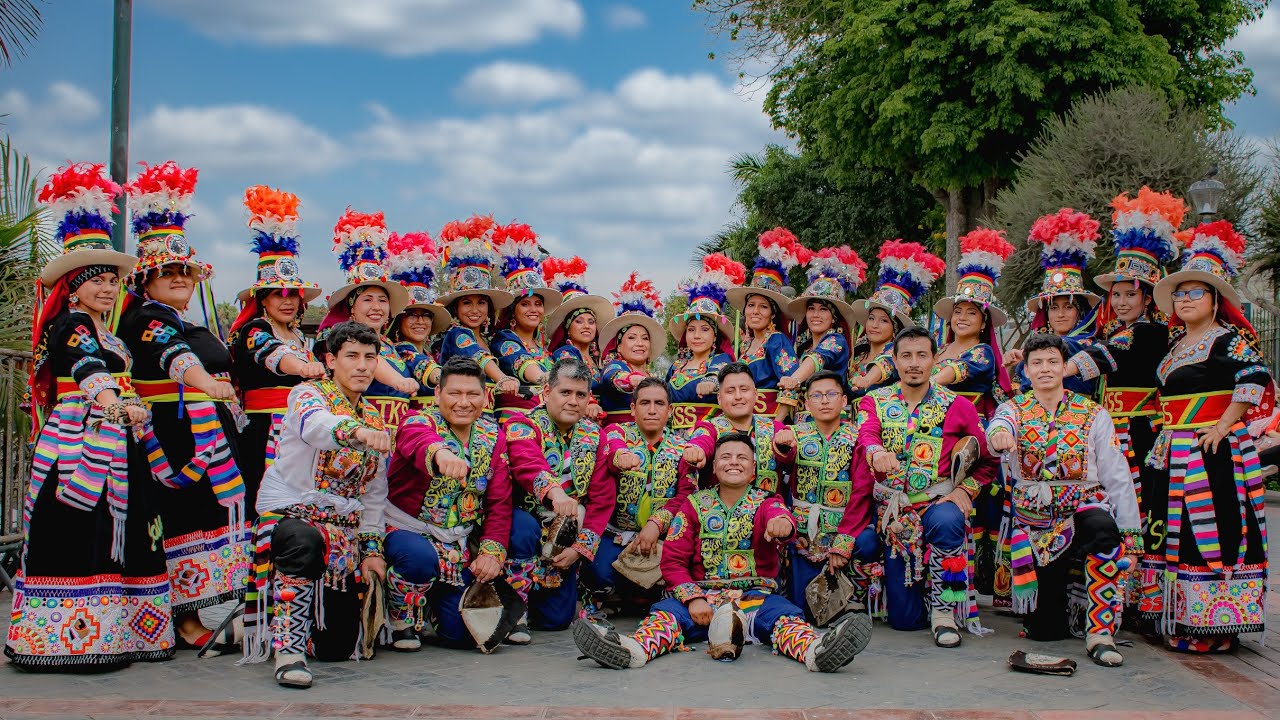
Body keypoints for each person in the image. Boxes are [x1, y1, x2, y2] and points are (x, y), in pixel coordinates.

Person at [6, 163, 175, 670]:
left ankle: (112, 632)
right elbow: (88, 373)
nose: (106, 288)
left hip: (114, 438)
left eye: (110, 280)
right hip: (80, 441)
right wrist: (112, 402)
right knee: (81, 524)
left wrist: (126, 410)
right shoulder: (73, 326)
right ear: (73, 289)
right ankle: (67, 640)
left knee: (110, 526)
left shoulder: (110, 331)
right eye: (95, 281)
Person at [571, 433, 872, 672]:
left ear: (754, 470)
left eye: (742, 458)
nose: (733, 462)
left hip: (754, 598)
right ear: (713, 468)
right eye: (725, 457)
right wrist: (693, 598)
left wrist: (782, 525)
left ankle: (816, 652)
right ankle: (631, 651)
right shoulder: (694, 505)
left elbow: (780, 516)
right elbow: (673, 560)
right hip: (700, 601)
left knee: (785, 618)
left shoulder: (767, 501)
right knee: (664, 617)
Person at [118, 161, 248, 656]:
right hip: (173, 437)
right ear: (146, 281)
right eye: (167, 272)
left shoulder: (179, 316)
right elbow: (177, 360)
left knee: (201, 519)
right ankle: (182, 619)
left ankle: (194, 613)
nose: (179, 279)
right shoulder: (148, 320)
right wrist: (208, 386)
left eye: (184, 272)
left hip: (202, 432)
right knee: (178, 521)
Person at [239, 321, 391, 689]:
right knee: (303, 541)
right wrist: (353, 432)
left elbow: (373, 493)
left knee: (337, 648)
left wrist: (372, 550)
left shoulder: (373, 415)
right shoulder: (308, 394)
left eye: (369, 358)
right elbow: (315, 427)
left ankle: (314, 626)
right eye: (351, 356)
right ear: (330, 359)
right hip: (293, 516)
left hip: (342, 533)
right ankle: (288, 649)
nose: (362, 366)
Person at [1146, 220, 1270, 653]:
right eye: (1179, 293)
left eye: (1194, 292)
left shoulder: (1226, 341)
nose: (1183, 299)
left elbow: (1255, 377)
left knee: (1211, 530)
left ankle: (1214, 624)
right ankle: (1179, 616)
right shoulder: (1176, 346)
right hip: (1173, 449)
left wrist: (1222, 425)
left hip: (1209, 452)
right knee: (1170, 529)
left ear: (1215, 300)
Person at [987, 333, 1141, 667]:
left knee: (1103, 529)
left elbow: (1116, 473)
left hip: (1082, 506)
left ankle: (1100, 634)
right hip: (1035, 522)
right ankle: (1055, 616)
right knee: (1045, 629)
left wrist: (1130, 529)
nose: (1045, 369)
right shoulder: (1012, 409)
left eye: (1052, 361)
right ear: (1025, 371)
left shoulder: (1092, 413)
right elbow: (999, 427)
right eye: (1037, 363)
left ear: (1063, 366)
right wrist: (999, 435)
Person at [849, 327, 999, 647]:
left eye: (922, 355)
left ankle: (944, 611)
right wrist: (877, 452)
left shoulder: (957, 405)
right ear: (895, 360)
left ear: (934, 359)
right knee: (905, 622)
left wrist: (964, 491)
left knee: (949, 519)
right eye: (906, 356)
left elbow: (988, 461)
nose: (914, 363)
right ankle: (907, 600)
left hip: (934, 504)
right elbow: (867, 435)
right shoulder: (874, 400)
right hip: (892, 516)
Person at [1074, 188, 1183, 624]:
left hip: (1139, 431)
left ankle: (1139, 597)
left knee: (1137, 507)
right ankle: (1112, 594)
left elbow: (1103, 360)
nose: (1120, 302)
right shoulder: (1113, 332)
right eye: (1115, 295)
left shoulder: (1152, 334)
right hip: (1109, 427)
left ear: (1147, 296)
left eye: (1129, 295)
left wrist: (1056, 366)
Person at [381, 357, 525, 651]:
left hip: (455, 544)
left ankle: (433, 602)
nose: (463, 402)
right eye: (454, 393)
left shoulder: (491, 434)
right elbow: (417, 438)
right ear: (437, 395)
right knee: (418, 558)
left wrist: (491, 552)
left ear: (485, 398)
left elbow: (499, 501)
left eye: (472, 394)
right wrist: (441, 455)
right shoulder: (417, 420)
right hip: (408, 532)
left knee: (462, 636)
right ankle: (401, 619)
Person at [228, 185, 325, 515]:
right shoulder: (254, 331)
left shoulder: (299, 337)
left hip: (298, 426)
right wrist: (305, 369)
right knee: (270, 502)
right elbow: (274, 356)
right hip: (265, 428)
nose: (286, 301)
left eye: (292, 294)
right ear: (263, 300)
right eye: (277, 294)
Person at [929, 228, 1016, 595]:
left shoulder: (980, 353)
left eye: (970, 313)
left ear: (984, 322)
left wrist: (920, 378)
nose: (962, 317)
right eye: (958, 311)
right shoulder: (938, 350)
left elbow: (949, 377)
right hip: (935, 433)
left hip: (968, 439)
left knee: (970, 506)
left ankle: (969, 584)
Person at [505, 357, 615, 632]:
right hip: (524, 527)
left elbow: (602, 498)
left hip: (566, 534)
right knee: (523, 527)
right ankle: (511, 605)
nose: (573, 401)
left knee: (555, 621)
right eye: (565, 392)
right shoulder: (522, 425)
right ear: (546, 392)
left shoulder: (594, 435)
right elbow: (527, 463)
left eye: (580, 394)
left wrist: (580, 549)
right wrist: (556, 494)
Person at [580, 378, 698, 611]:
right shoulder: (617, 433)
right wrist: (621, 457)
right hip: (615, 533)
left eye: (659, 403)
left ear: (669, 410)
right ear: (633, 408)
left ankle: (642, 597)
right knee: (599, 575)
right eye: (644, 403)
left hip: (662, 537)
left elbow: (686, 495)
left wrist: (656, 524)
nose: (652, 410)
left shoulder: (683, 447)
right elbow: (615, 448)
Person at [782, 371, 871, 619]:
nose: (824, 401)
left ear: (843, 401)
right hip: (802, 532)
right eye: (816, 396)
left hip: (844, 526)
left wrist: (844, 541)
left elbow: (862, 491)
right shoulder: (794, 435)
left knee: (868, 543)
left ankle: (854, 600)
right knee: (804, 610)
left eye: (831, 394)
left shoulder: (858, 438)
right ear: (807, 403)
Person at [316, 209, 417, 427]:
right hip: (360, 428)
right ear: (352, 308)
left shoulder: (393, 346)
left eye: (382, 300)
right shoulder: (337, 339)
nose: (376, 307)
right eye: (367, 299)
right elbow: (372, 359)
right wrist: (399, 381)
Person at [1008, 208, 1103, 396]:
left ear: (1080, 311)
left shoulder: (1087, 345)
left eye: (1068, 307)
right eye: (1053, 307)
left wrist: (1028, 354)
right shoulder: (1031, 347)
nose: (1060, 314)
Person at [435, 215, 519, 412]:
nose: (474, 310)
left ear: (489, 308)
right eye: (466, 303)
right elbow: (477, 356)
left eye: (481, 303)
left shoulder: (492, 340)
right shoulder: (457, 335)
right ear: (456, 308)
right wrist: (503, 379)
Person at [724, 228, 807, 420]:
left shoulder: (776, 341)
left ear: (772, 314)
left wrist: (775, 425)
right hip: (744, 422)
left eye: (763, 307)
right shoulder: (746, 344)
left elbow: (791, 385)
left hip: (769, 422)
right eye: (751, 305)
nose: (755, 311)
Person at [849, 241, 946, 397]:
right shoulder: (859, 355)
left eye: (884, 321)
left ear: (896, 328)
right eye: (871, 318)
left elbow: (885, 364)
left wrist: (867, 380)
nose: (874, 325)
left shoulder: (896, 352)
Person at [683, 362, 797, 494]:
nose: (738, 396)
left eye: (744, 390)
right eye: (730, 391)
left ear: (755, 394)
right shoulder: (710, 428)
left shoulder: (774, 428)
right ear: (719, 398)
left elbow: (790, 455)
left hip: (766, 511)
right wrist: (696, 451)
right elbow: (702, 440)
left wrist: (785, 445)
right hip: (719, 512)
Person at [777, 247, 864, 415]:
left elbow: (817, 359)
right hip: (801, 421)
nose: (815, 315)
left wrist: (794, 379)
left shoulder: (836, 341)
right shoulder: (805, 348)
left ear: (833, 317)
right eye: (811, 309)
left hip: (830, 422)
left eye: (823, 309)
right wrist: (777, 426)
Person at [492, 222, 562, 420]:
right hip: (516, 422)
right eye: (525, 304)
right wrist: (549, 380)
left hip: (548, 423)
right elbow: (519, 362)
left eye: (538, 304)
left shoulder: (544, 349)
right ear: (513, 310)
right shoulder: (503, 339)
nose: (533, 310)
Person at [665, 254, 742, 434]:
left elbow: (718, 376)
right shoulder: (676, 366)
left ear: (715, 336)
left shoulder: (721, 360)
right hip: (674, 438)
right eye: (691, 330)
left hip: (711, 435)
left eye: (704, 329)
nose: (696, 336)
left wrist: (711, 382)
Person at [386, 230, 451, 411]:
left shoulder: (431, 355)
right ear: (399, 320)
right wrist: (453, 382)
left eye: (426, 315)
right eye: (412, 315)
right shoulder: (401, 350)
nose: (420, 321)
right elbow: (422, 365)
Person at [544, 256, 613, 421]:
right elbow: (572, 377)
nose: (586, 326)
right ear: (568, 329)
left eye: (591, 322)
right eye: (579, 321)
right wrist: (589, 402)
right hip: (576, 417)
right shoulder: (565, 353)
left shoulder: (598, 360)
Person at [597, 273, 664, 426]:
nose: (640, 343)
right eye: (632, 338)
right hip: (619, 439)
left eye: (645, 338)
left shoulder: (652, 375)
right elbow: (613, 377)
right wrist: (631, 379)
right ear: (619, 346)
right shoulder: (614, 367)